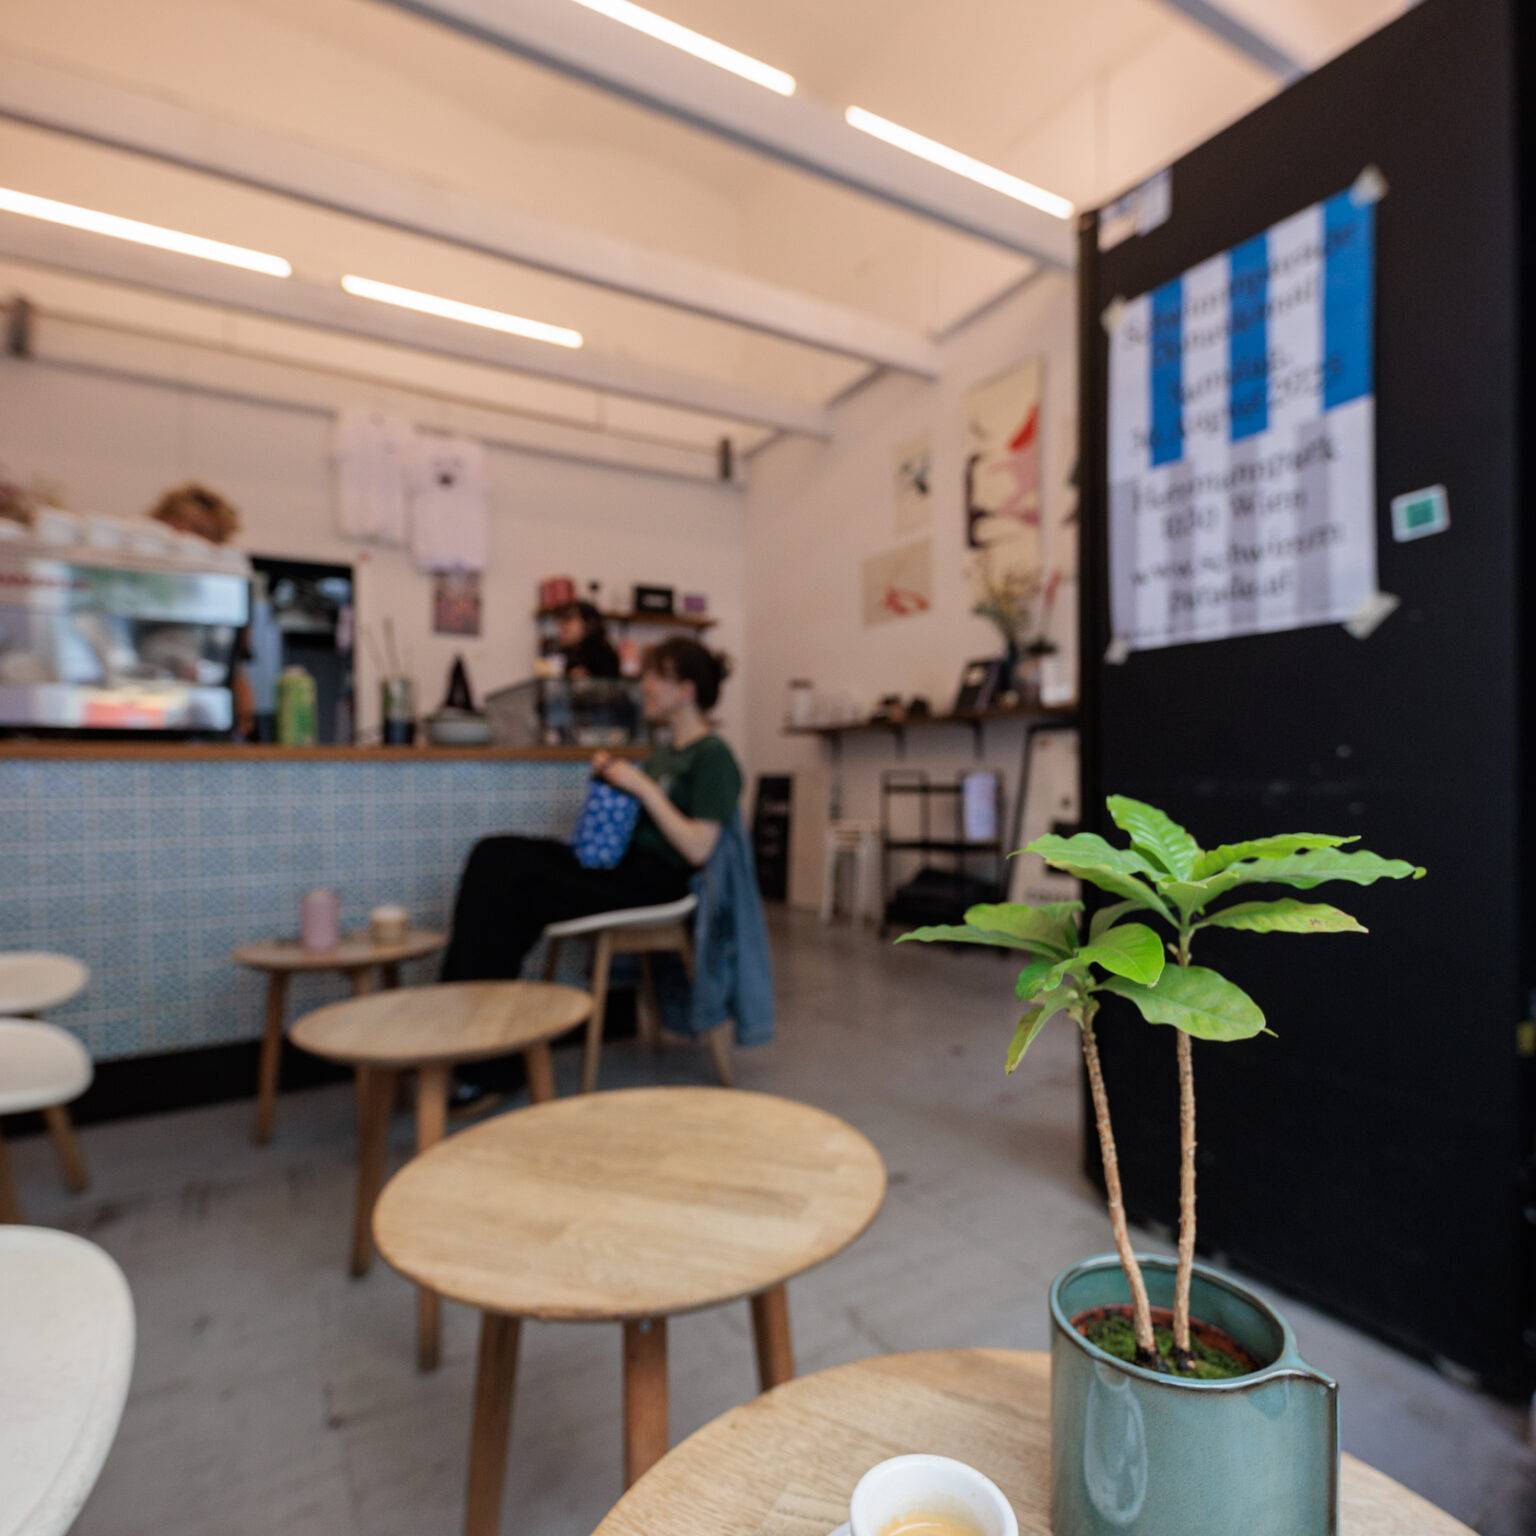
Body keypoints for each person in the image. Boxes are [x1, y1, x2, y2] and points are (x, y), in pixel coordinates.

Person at [440, 637, 741, 984]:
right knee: (493, 854)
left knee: (514, 879)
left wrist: (642, 787)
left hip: (656, 882)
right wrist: (614, 780)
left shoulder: (712, 756)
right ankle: (469, 994)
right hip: (621, 867)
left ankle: (477, 998)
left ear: (686, 691)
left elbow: (698, 849)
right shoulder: (663, 754)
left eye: (656, 677)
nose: (644, 685)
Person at [555, 601, 621, 680]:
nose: (562, 626)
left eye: (568, 619)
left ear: (589, 624)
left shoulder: (602, 655)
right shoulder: (571, 653)